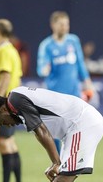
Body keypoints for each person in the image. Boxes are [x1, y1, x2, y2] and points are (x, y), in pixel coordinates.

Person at [37, 11, 94, 152]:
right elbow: (41, 68)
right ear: (53, 25)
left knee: (75, 127)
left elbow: (80, 64)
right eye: (61, 24)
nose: (65, 27)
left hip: (74, 93)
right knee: (55, 130)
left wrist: (88, 82)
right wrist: (44, 69)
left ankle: (69, 160)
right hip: (55, 95)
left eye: (66, 24)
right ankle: (58, 161)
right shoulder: (47, 45)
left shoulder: (73, 41)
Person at [0, 18, 28, 182]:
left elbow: (5, 77)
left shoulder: (3, 50)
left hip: (4, 104)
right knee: (11, 144)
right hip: (13, 102)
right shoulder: (13, 50)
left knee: (4, 144)